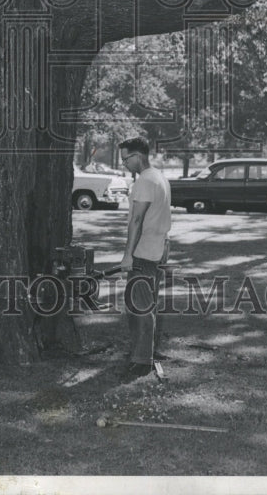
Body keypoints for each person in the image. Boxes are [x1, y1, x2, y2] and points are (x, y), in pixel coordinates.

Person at [118, 136, 172, 381]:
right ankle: (146, 353)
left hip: (144, 251)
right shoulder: (160, 178)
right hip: (158, 248)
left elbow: (136, 221)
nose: (124, 165)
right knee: (147, 304)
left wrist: (128, 254)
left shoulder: (144, 182)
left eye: (126, 159)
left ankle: (141, 361)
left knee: (139, 306)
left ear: (138, 156)